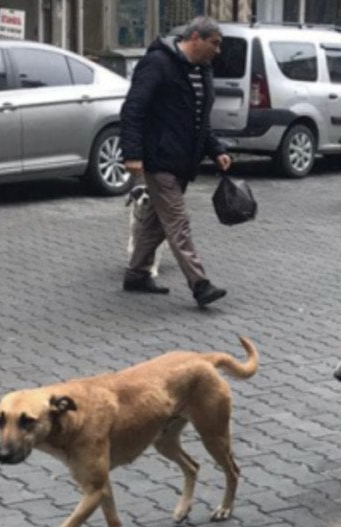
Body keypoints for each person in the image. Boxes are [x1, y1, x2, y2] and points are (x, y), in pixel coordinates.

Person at [119, 15, 232, 308]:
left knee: (156, 223)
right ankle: (200, 285)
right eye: (214, 43)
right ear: (195, 38)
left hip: (183, 161)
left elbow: (199, 121)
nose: (218, 50)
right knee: (178, 222)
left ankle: (136, 274)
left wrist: (216, 149)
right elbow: (133, 109)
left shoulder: (203, 71)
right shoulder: (158, 63)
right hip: (159, 159)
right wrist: (131, 153)